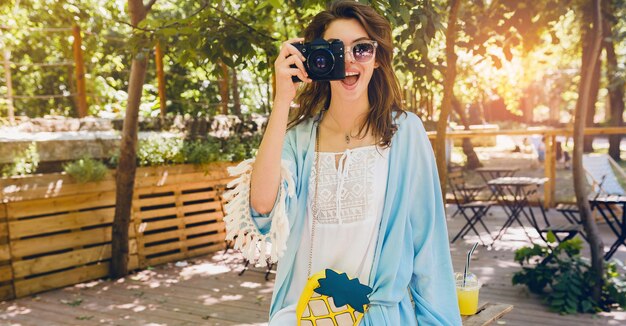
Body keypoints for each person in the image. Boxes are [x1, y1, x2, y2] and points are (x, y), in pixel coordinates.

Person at [223, 1, 461, 325]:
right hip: (304, 316)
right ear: (316, 59)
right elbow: (262, 208)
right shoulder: (299, 137)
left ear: (376, 59)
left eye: (361, 49)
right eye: (336, 49)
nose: (349, 60)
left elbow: (428, 246)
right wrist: (283, 99)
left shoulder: (405, 133)